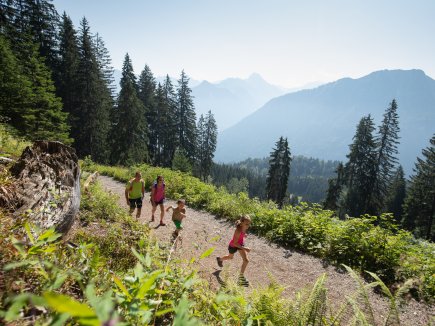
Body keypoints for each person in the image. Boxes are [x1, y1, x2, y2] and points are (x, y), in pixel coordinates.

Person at [216, 215, 252, 287]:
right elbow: (235, 243)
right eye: (246, 224)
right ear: (242, 223)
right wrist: (245, 248)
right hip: (233, 245)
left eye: (249, 224)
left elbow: (241, 235)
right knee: (230, 257)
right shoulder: (238, 231)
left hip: (240, 244)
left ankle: (240, 279)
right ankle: (219, 259)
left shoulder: (244, 227)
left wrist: (244, 236)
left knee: (246, 260)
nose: (248, 226)